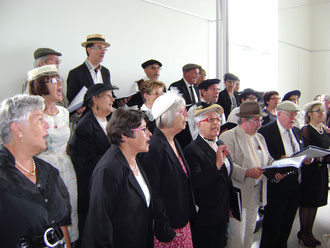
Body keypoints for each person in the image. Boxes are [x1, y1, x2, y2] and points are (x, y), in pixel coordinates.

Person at [0, 94, 71, 247]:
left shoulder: (49, 172)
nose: (47, 124)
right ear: (18, 129)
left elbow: (60, 224)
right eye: (40, 119)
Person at [82, 109, 153, 248]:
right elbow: (100, 226)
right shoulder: (108, 170)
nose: (149, 134)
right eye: (144, 129)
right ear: (124, 135)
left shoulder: (133, 158)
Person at [28, 65, 78, 245]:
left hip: (66, 168)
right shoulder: (33, 114)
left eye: (60, 80)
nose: (60, 85)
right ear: (41, 84)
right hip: (43, 169)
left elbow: (65, 147)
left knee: (69, 210)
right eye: (54, 80)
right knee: (50, 213)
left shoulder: (64, 113)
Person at [139, 91, 196, 247]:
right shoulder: (155, 146)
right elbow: (153, 192)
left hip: (181, 220)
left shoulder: (173, 140)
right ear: (168, 115)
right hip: (168, 226)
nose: (186, 115)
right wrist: (164, 226)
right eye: (182, 111)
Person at [258, 101, 313, 248]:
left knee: (288, 221)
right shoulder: (266, 132)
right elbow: (262, 158)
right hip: (277, 183)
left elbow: (298, 153)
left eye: (295, 115)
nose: (293, 118)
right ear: (279, 113)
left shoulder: (296, 131)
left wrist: (305, 160)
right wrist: (273, 171)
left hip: (295, 182)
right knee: (273, 223)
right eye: (290, 115)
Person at [220, 101, 271, 248]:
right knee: (237, 235)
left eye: (260, 120)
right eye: (256, 120)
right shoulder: (229, 136)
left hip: (256, 191)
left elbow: (268, 159)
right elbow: (227, 165)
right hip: (239, 193)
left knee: (250, 231)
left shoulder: (259, 137)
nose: (259, 124)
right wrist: (247, 172)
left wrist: (277, 167)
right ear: (243, 120)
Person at [69, 83, 115, 246]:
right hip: (94, 190)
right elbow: (85, 164)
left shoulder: (109, 120)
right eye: (108, 96)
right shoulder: (85, 127)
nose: (113, 99)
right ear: (95, 99)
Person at [184, 103, 232, 248]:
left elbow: (226, 178)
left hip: (222, 210)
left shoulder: (220, 143)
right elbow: (196, 182)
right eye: (210, 120)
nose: (216, 123)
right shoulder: (192, 150)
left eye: (218, 119)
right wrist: (216, 165)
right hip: (206, 214)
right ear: (199, 124)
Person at [298, 101, 329, 247]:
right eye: (319, 111)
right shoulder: (306, 130)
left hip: (321, 169)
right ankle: (303, 232)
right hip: (310, 169)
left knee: (316, 201)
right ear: (310, 114)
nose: (322, 114)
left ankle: (310, 232)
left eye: (323, 111)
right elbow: (304, 150)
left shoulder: (324, 130)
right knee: (307, 202)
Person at [66, 34, 113, 117]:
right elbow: (72, 102)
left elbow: (109, 95)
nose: (103, 52)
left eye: (104, 48)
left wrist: (121, 102)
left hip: (106, 119)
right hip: (87, 120)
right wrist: (78, 112)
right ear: (89, 50)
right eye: (99, 48)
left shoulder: (106, 72)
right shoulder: (76, 73)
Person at [169, 63, 202, 148]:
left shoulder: (196, 87)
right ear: (185, 73)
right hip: (182, 126)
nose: (197, 76)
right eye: (194, 73)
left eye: (198, 74)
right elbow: (173, 107)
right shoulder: (175, 86)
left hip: (195, 124)